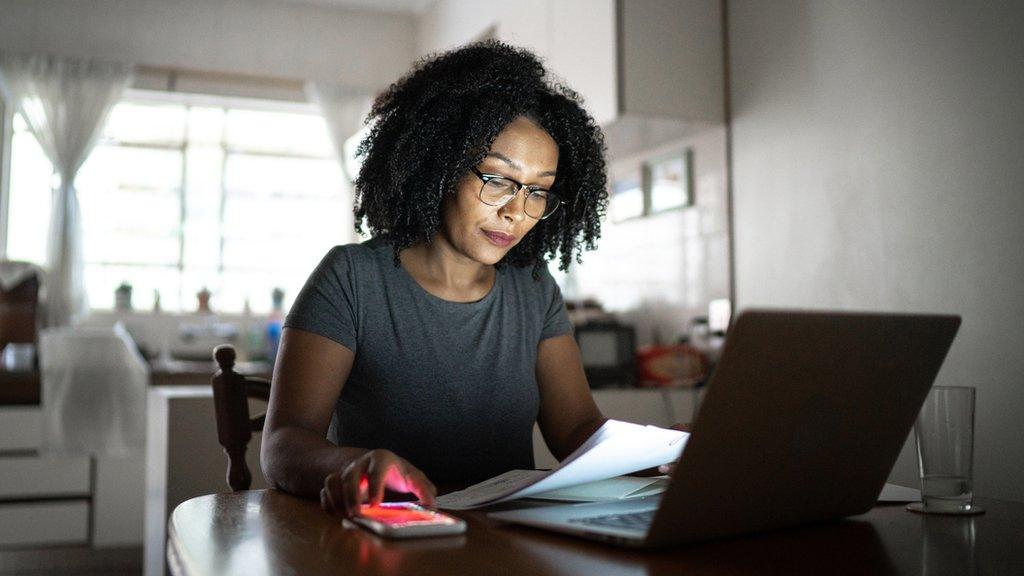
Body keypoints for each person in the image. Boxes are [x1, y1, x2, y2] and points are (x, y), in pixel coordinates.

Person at [262, 41, 623, 519]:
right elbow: (284, 442)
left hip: (509, 543)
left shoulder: (535, 288)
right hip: (386, 537)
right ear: (440, 165)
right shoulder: (351, 278)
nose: (516, 211)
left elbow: (576, 428)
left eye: (538, 191)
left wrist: (656, 454)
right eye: (496, 179)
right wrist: (351, 464)